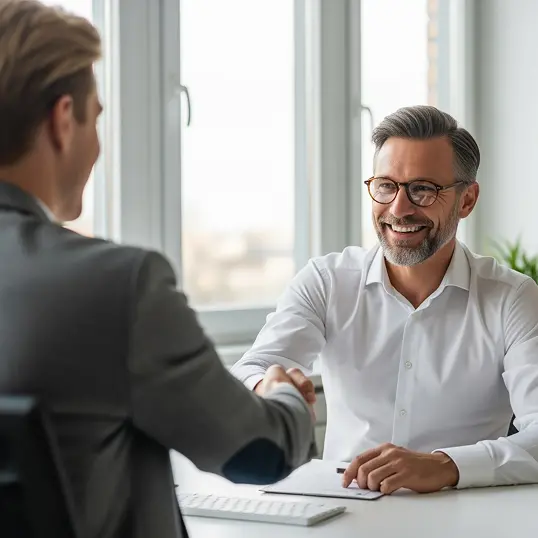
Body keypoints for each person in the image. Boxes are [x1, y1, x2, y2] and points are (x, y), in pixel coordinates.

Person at [0, 1, 315, 537]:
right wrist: (286, 397)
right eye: (96, 118)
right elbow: (257, 454)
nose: (97, 145)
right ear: (63, 119)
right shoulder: (115, 286)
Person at [232, 104, 538, 494]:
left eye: (423, 189)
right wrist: (269, 387)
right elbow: (251, 369)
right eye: (386, 185)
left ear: (466, 200)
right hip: (343, 514)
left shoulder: (511, 298)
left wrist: (446, 466)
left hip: (465, 519)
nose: (398, 208)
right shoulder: (327, 282)